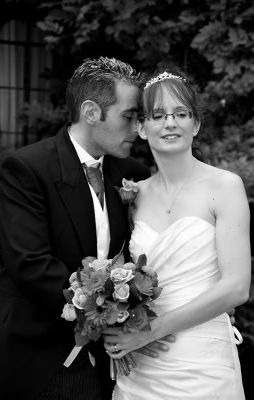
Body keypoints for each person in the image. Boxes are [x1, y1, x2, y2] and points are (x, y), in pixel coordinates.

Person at [0, 56, 158, 400]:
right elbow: (30, 264)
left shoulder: (133, 172)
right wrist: (108, 312)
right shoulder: (27, 168)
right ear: (92, 112)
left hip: (113, 356)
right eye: (129, 116)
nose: (138, 129)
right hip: (37, 350)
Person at [104, 69, 251, 399]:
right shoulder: (133, 195)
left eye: (181, 114)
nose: (170, 123)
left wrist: (150, 332)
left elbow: (237, 287)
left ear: (195, 124)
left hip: (203, 363)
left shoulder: (225, 187)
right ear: (141, 127)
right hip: (141, 364)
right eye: (158, 115)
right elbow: (123, 272)